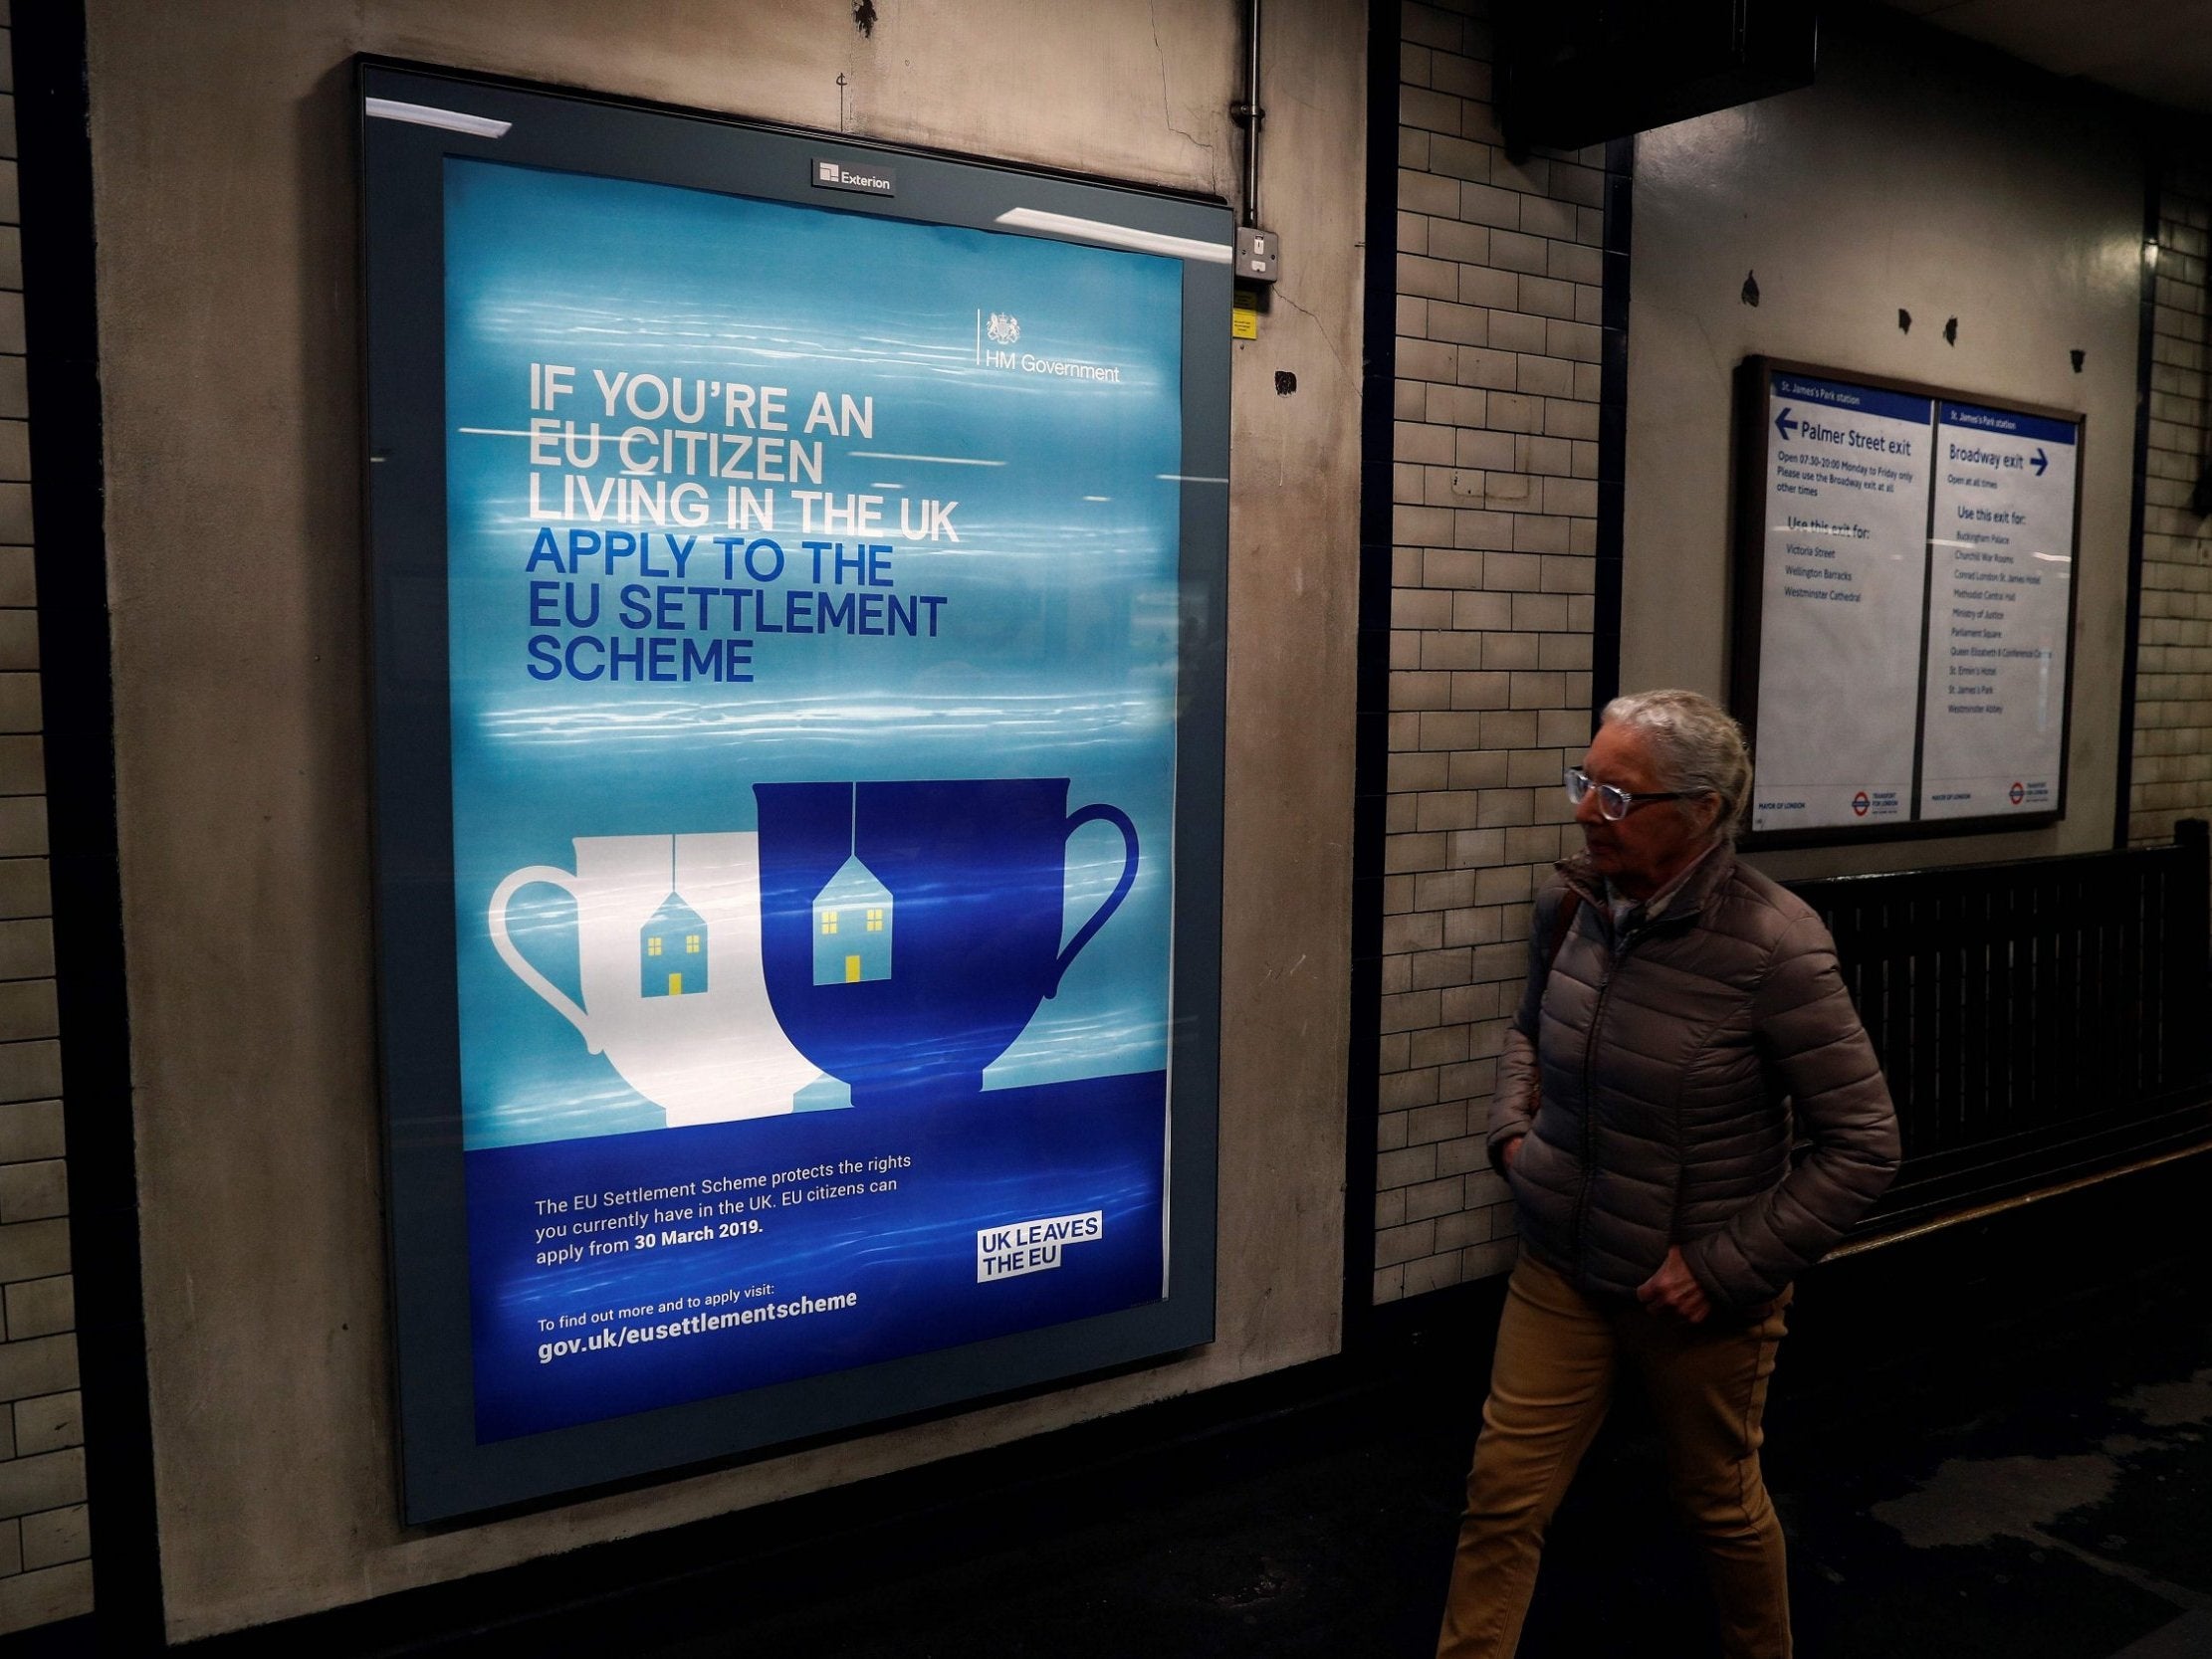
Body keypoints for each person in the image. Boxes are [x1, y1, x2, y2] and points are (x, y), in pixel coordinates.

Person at [1434, 690, 1899, 1659]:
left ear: (1699, 810)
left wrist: (1723, 1267)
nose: (1583, 811)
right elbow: (1526, 1031)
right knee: (1499, 1496)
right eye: (1584, 782)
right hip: (1560, 1261)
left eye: (1615, 794)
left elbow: (1861, 1142)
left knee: (1718, 1504)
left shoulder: (1774, 944)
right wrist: (1512, 1143)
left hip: (1690, 1293)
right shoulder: (1570, 906)